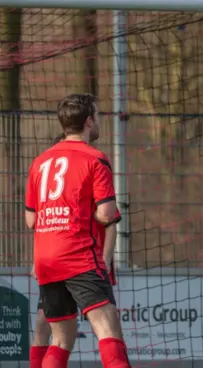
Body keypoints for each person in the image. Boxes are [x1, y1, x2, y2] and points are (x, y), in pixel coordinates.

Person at [25, 93, 129, 368]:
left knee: (60, 339)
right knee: (108, 331)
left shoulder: (39, 162)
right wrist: (84, 213)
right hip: (79, 256)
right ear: (89, 121)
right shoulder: (95, 159)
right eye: (99, 116)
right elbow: (107, 215)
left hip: (46, 260)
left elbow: (30, 220)